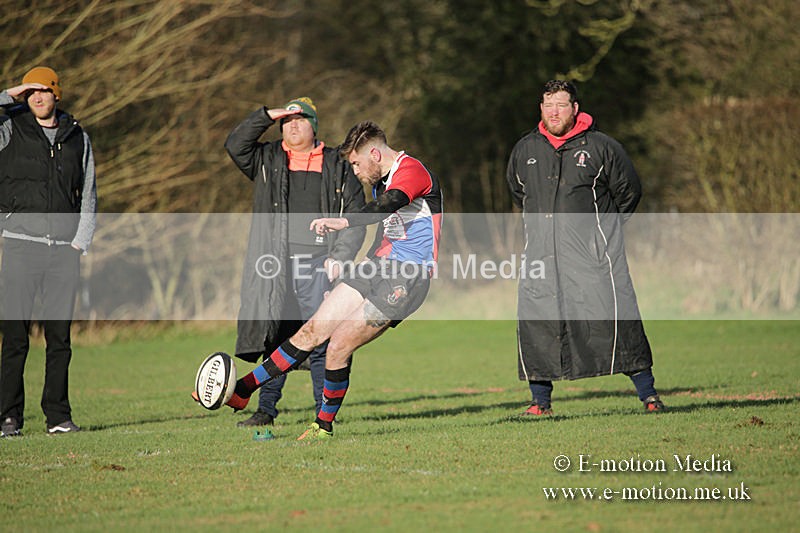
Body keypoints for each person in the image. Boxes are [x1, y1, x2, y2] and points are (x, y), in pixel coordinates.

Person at [200, 120, 443, 439]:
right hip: (376, 268)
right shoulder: (380, 181)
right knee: (312, 329)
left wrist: (342, 221)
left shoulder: (411, 170)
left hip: (406, 279)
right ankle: (243, 389)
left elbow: (389, 205)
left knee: (338, 345)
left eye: (356, 163)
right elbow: (387, 233)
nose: (355, 171)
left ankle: (323, 425)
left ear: (373, 153)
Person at [505, 79, 665, 416]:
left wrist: (598, 234)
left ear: (575, 108)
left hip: (594, 259)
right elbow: (519, 194)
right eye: (548, 105)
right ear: (541, 109)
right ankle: (540, 403)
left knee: (616, 320)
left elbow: (629, 194)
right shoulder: (525, 150)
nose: (554, 112)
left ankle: (649, 395)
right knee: (540, 323)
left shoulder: (602, 147)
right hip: (541, 258)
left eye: (561, 105)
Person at [224, 97, 366, 427]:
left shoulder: (338, 164)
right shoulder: (267, 158)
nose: (292, 125)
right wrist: (266, 115)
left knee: (321, 338)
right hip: (274, 265)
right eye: (286, 121)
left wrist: (341, 257)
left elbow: (356, 217)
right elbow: (236, 144)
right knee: (275, 339)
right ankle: (265, 410)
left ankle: (323, 413)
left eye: (300, 119)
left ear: (313, 125)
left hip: (319, 264)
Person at [0, 66, 97, 436]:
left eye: (45, 91)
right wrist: (12, 92)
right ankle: (9, 417)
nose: (38, 97)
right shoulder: (10, 128)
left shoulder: (77, 136)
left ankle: (57, 416)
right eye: (32, 92)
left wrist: (80, 241)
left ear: (58, 94)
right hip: (21, 248)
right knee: (14, 337)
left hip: (63, 251)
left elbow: (88, 191)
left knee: (59, 339)